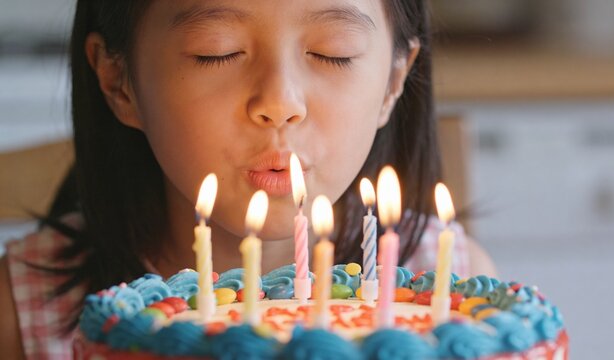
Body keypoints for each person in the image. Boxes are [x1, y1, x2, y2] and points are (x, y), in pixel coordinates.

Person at [0, 0, 496, 358]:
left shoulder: (453, 289)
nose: (280, 103)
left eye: (334, 52)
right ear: (117, 79)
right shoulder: (21, 314)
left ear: (393, 80)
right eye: (215, 52)